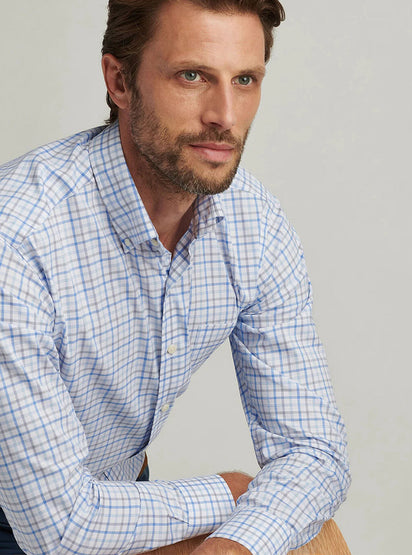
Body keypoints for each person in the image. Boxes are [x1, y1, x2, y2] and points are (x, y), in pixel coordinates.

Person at [0, 1, 351, 554]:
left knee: (313, 542)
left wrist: (234, 545)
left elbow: (314, 453)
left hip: (110, 498)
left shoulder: (251, 223)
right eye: (193, 76)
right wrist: (228, 492)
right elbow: (56, 528)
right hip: (31, 519)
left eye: (245, 79)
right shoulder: (18, 238)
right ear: (120, 80)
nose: (225, 115)